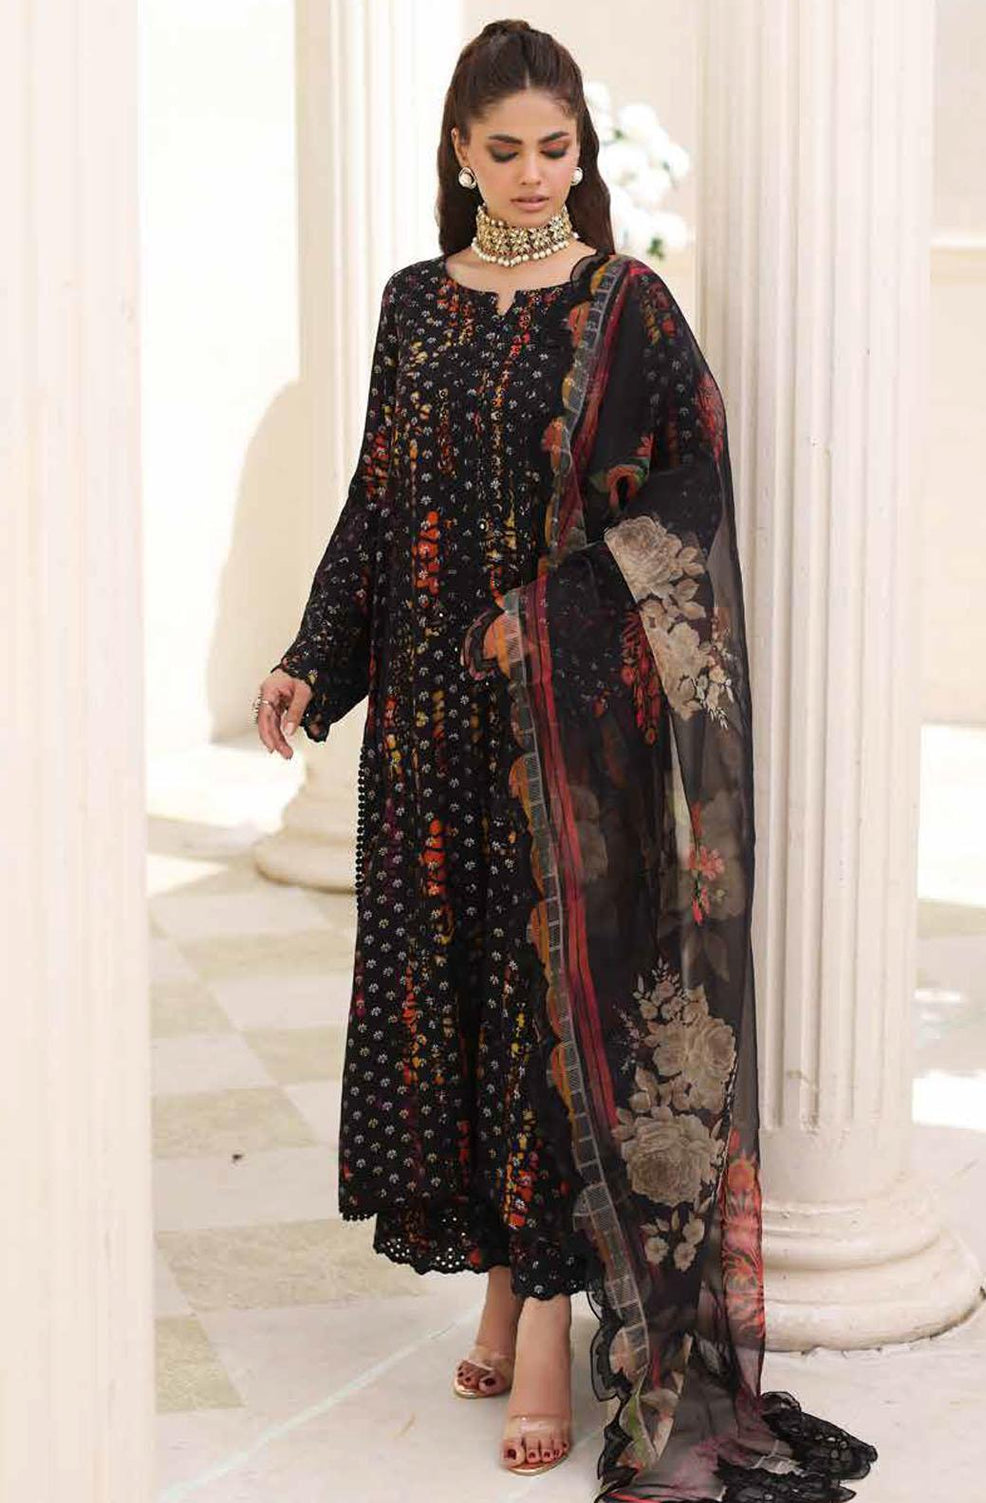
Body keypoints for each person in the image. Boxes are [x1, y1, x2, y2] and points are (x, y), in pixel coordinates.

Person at [254, 18, 879, 1501]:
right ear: (460, 154)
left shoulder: (627, 308)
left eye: (557, 147)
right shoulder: (416, 305)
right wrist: (311, 658)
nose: (535, 174)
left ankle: (544, 1322)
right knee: (461, 1005)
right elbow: (378, 502)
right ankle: (495, 1284)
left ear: (582, 150)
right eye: (506, 149)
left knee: (548, 1007)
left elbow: (688, 499)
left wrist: (545, 619)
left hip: (565, 739)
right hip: (430, 737)